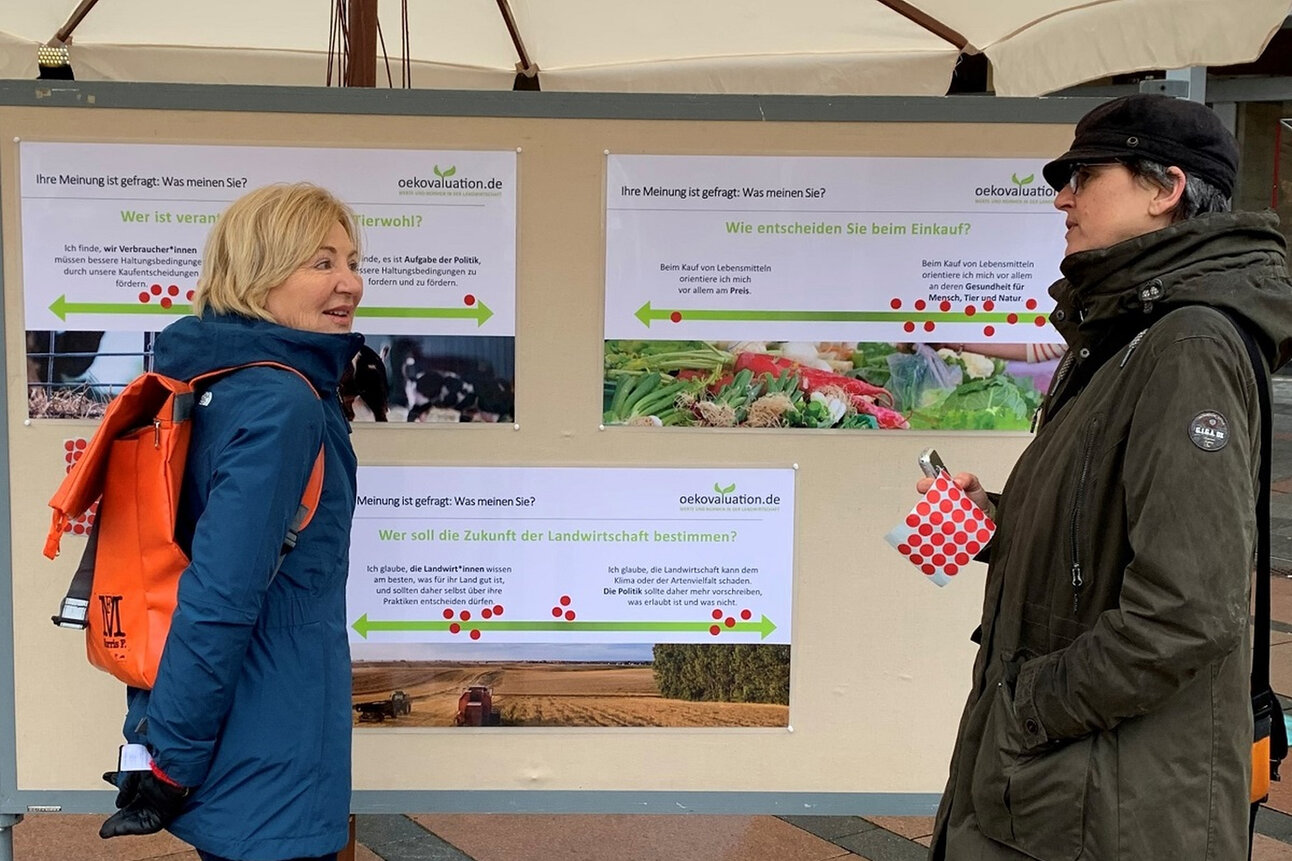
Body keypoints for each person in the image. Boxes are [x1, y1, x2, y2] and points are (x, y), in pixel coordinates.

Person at [922, 94, 1292, 859]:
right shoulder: (1127, 330)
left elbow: (1188, 607)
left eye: (1085, 173)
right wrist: (999, 522)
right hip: (1061, 795)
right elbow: (1109, 521)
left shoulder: (1187, 344)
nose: (1062, 194)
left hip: (1105, 806)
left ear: (1166, 189)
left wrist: (1028, 707)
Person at [99, 183, 365, 861]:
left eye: (354, 260)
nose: (352, 283)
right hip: (269, 746)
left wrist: (158, 738)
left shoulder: (220, 381)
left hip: (235, 732)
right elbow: (220, 596)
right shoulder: (283, 404)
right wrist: (168, 764)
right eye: (323, 262)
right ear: (259, 275)